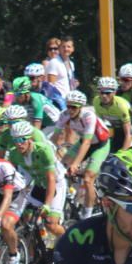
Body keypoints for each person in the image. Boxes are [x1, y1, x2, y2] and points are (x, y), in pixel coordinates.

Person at [52, 90, 111, 218]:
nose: (70, 110)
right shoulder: (64, 115)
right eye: (68, 106)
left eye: (74, 107)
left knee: (88, 178)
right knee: (61, 169)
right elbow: (54, 137)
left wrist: (76, 164)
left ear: (81, 107)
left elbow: (87, 143)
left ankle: (87, 215)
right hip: (83, 141)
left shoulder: (88, 116)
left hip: (100, 145)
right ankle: (70, 195)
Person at [93, 77, 132, 152]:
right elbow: (99, 126)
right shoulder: (96, 101)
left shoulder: (120, 105)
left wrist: (122, 153)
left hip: (131, 131)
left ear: (114, 92)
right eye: (101, 92)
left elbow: (129, 133)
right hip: (117, 129)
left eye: (108, 93)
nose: (104, 96)